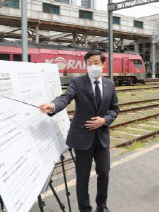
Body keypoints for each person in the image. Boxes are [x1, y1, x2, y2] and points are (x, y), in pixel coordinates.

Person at [39, 50, 119, 212]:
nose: (92, 66)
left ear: (103, 64)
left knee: (104, 173)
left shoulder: (109, 84)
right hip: (82, 139)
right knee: (82, 177)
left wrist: (104, 120)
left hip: (102, 138)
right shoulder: (77, 82)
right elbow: (65, 98)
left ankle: (101, 206)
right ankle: (85, 209)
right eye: (89, 63)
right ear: (86, 65)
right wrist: (53, 106)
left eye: (96, 63)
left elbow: (114, 109)